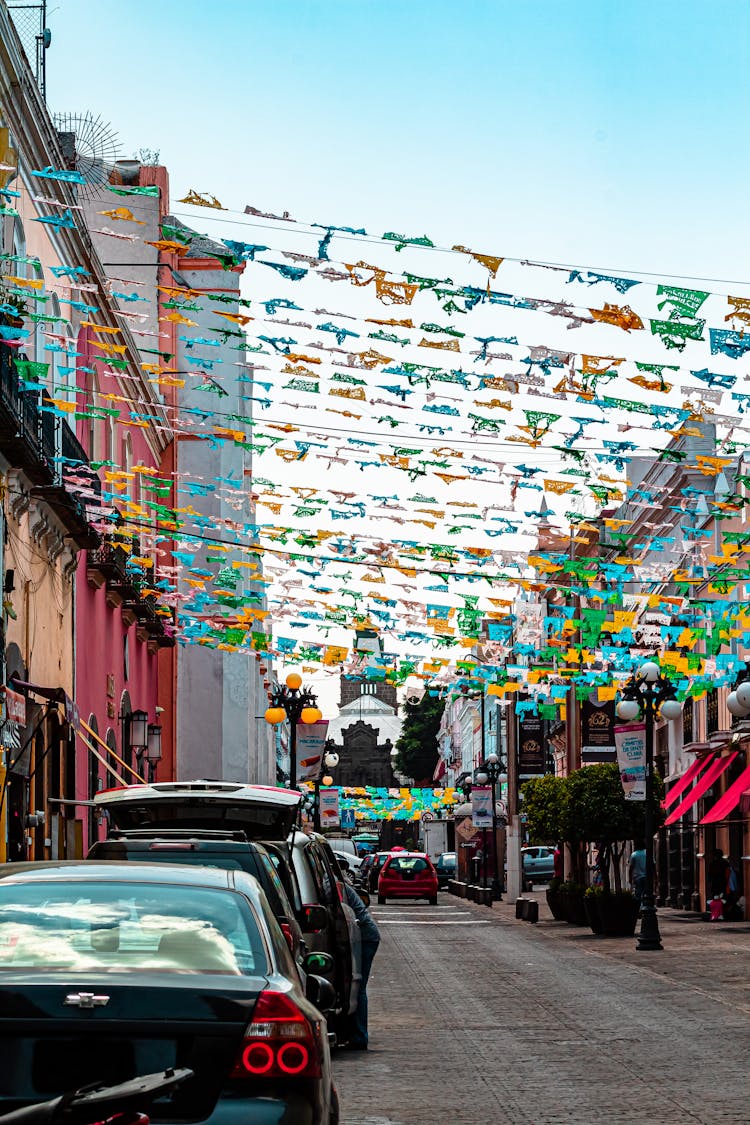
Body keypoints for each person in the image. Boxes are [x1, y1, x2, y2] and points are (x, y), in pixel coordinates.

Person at [342, 881, 380, 1050]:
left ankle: (360, 1036)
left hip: (365, 937)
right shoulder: (338, 884)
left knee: (359, 986)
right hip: (362, 936)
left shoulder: (334, 884)